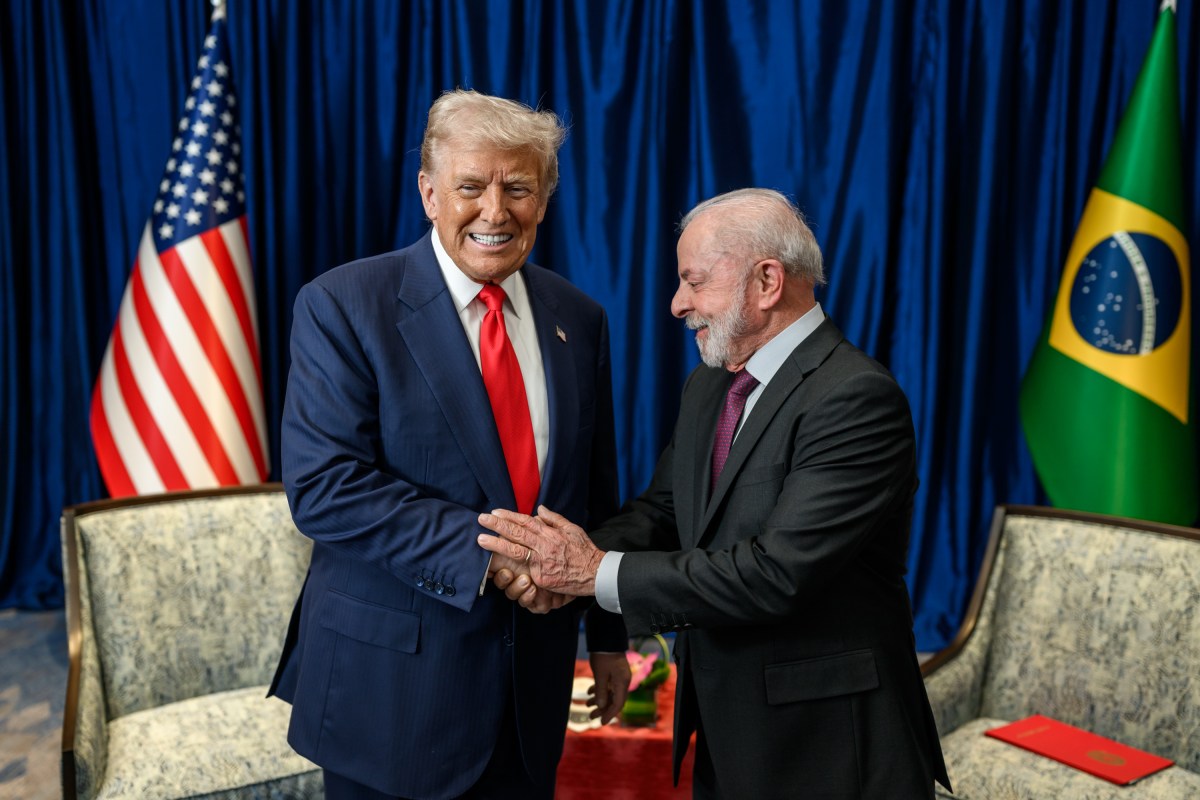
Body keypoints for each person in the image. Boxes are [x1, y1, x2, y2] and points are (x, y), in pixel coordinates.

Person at [478, 188, 952, 799]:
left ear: (767, 282)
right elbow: (664, 514)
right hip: (726, 734)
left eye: (694, 282)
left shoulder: (855, 397)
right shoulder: (710, 385)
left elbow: (776, 574)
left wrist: (591, 573)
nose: (677, 304)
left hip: (830, 747)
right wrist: (551, 563)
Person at [268, 89, 631, 800]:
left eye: (518, 188)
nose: (495, 211)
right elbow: (325, 487)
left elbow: (595, 490)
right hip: (391, 698)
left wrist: (610, 638)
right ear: (429, 194)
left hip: (531, 695)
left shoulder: (578, 317)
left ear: (544, 200)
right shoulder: (343, 304)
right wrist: (493, 557)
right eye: (471, 187)